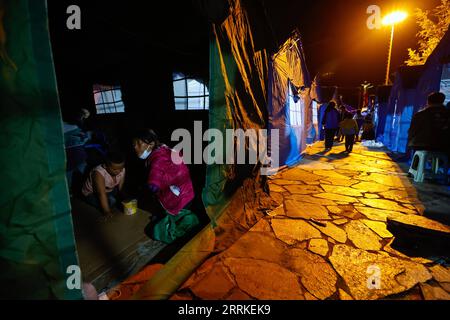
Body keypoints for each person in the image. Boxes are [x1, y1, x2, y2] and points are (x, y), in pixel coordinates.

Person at [132, 129, 199, 243]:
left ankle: (178, 230)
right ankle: (182, 219)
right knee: (179, 213)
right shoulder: (164, 149)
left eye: (138, 144)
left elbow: (154, 184)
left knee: (159, 229)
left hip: (177, 199)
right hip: (187, 192)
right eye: (133, 145)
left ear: (151, 144)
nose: (135, 147)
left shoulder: (157, 159)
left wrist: (146, 188)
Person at [82, 151, 126, 218]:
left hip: (109, 190)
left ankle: (111, 199)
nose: (119, 171)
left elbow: (121, 187)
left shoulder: (121, 169)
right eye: (114, 169)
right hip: (92, 193)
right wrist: (106, 211)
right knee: (109, 203)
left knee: (120, 198)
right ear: (105, 166)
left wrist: (123, 198)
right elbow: (101, 193)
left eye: (121, 168)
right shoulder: (98, 173)